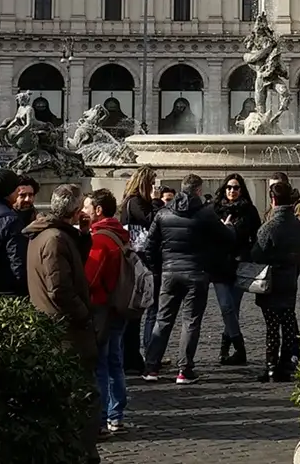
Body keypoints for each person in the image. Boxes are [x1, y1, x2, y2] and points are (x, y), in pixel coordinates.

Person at [24, 184, 99, 464]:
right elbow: (60, 289)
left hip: (57, 325)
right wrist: (83, 314)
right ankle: (80, 453)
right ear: (76, 209)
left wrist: (84, 234)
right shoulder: (54, 239)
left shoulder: (53, 235)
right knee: (82, 397)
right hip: (64, 329)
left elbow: (71, 263)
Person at [140, 174, 233, 383]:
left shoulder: (164, 213)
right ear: (198, 190)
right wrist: (227, 227)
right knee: (190, 321)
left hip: (169, 272)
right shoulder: (206, 214)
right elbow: (228, 239)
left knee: (163, 319)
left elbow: (149, 246)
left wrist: (159, 268)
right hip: (196, 273)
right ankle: (184, 370)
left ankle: (151, 367)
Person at [251, 180, 300, 382]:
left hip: (271, 281)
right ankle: (287, 363)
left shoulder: (269, 227)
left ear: (273, 200)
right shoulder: (297, 225)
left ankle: (271, 366)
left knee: (272, 326)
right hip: (290, 279)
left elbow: (257, 254)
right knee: (288, 321)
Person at [83, 188, 131, 435]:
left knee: (101, 364)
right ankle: (117, 415)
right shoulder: (119, 233)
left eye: (86, 207)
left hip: (102, 306)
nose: (83, 211)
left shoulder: (100, 239)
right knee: (115, 361)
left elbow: (90, 279)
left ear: (98, 210)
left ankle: (102, 416)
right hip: (119, 305)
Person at [211, 173, 261, 366]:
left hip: (240, 263)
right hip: (219, 264)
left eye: (236, 187)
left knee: (233, 308)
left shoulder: (249, 211)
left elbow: (257, 237)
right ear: (224, 189)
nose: (232, 190)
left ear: (242, 190)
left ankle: (225, 349)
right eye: (229, 187)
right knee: (226, 307)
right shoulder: (214, 209)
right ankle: (240, 349)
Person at [118, 165, 159, 372]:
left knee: (136, 313)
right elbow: (153, 221)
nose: (155, 187)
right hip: (138, 259)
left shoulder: (131, 201)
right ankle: (131, 358)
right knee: (135, 313)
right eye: (152, 183)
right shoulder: (135, 202)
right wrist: (156, 201)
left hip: (137, 259)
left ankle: (132, 356)